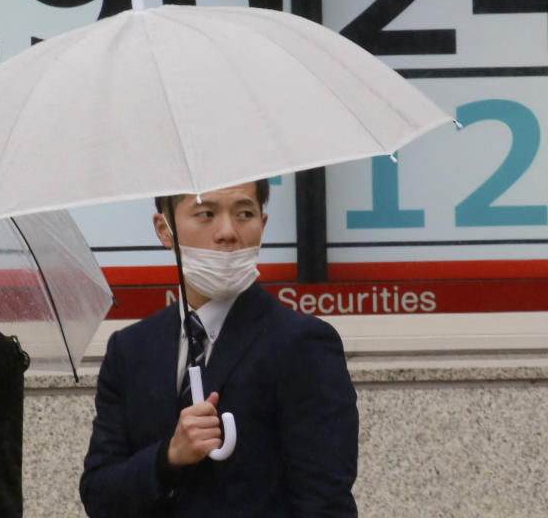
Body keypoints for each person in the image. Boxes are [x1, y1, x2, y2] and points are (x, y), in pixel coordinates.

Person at [80, 180, 358, 517]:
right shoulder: (131, 349)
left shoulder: (302, 343)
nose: (228, 232)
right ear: (164, 230)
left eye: (244, 214)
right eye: (206, 214)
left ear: (262, 225)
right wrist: (168, 456)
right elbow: (99, 495)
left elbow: (324, 501)